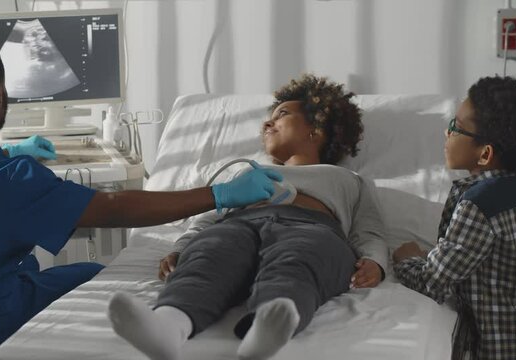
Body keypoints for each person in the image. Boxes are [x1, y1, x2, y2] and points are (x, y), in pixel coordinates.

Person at [0, 38, 283, 360]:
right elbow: (113, 208)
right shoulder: (11, 180)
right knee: (93, 276)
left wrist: (12, 151)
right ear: (0, 93)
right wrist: (219, 193)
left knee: (43, 267)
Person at [107, 74, 388, 360]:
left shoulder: (346, 179)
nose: (267, 123)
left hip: (313, 229)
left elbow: (369, 230)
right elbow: (209, 218)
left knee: (298, 262)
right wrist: (183, 247)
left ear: (316, 130)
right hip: (240, 225)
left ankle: (265, 329)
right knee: (210, 254)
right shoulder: (247, 174)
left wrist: (375, 262)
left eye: (282, 115)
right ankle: (168, 326)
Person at [392, 76, 516, 360]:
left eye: (456, 128)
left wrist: (407, 258)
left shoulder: (480, 204)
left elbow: (432, 282)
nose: (447, 133)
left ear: (484, 154)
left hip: (495, 349)